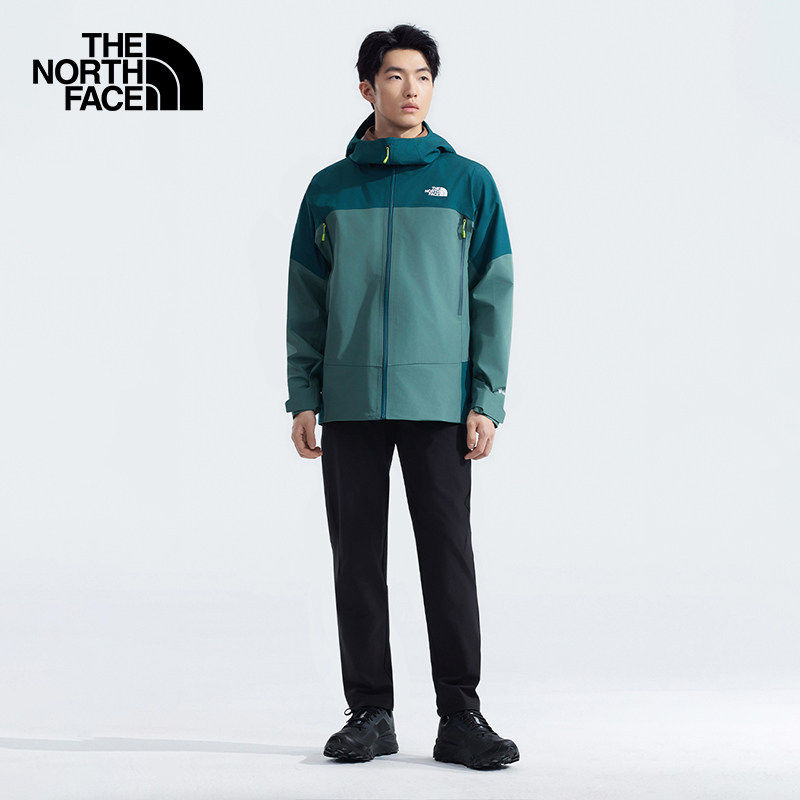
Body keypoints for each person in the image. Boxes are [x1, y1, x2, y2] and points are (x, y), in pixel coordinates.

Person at [284, 23, 517, 770]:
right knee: (356, 557)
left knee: (447, 556)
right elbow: (305, 298)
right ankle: (370, 713)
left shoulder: (469, 183)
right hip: (350, 400)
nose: (411, 89)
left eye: (422, 76)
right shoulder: (329, 188)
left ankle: (461, 716)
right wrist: (303, 394)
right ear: (367, 88)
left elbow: (493, 295)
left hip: (438, 401)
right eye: (394, 76)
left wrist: (486, 398)